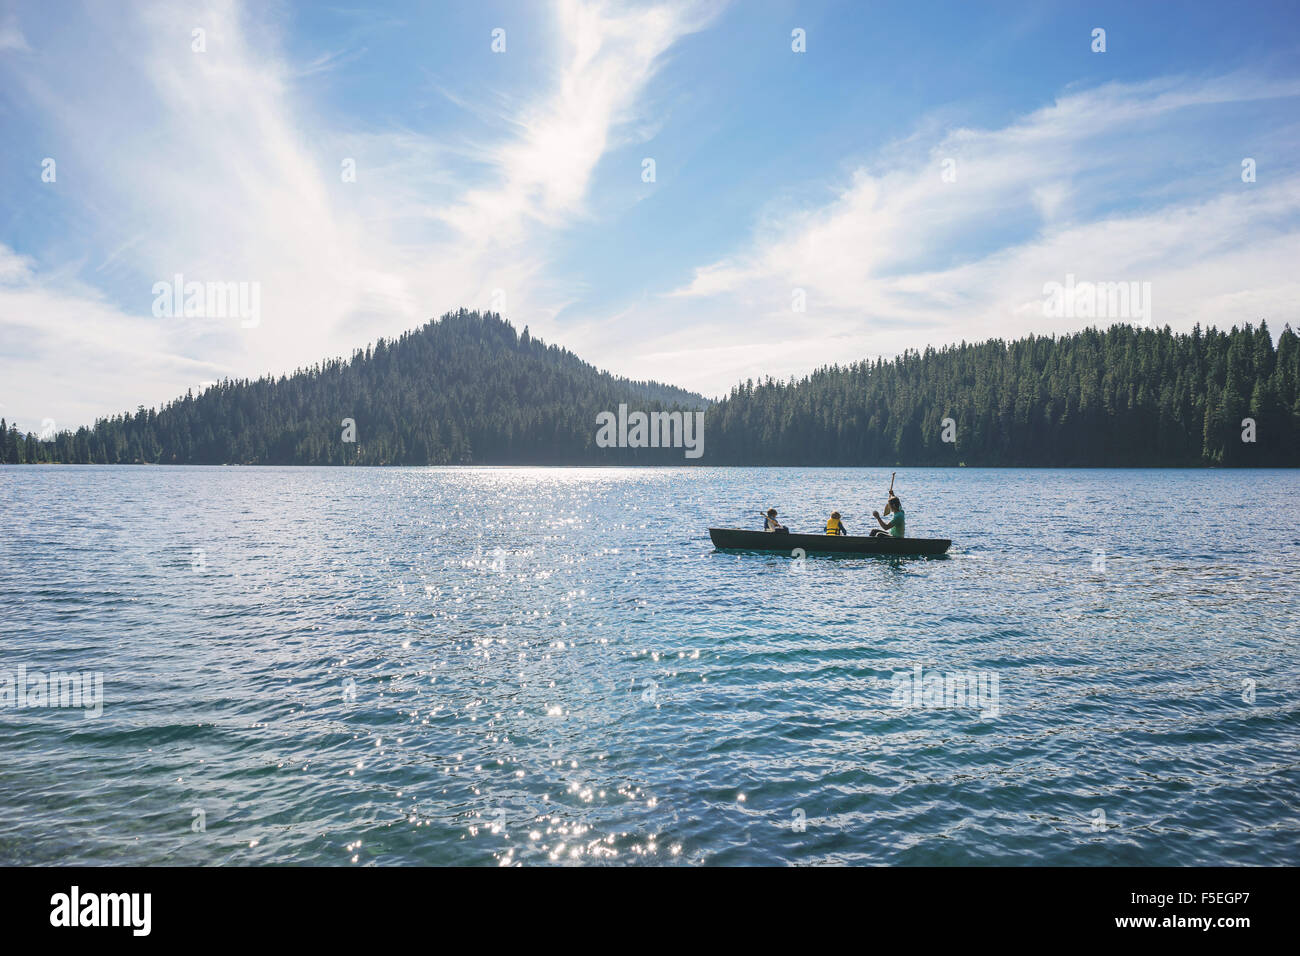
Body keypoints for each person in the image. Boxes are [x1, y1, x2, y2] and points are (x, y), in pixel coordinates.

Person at [869, 472, 906, 538]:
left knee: (879, 535)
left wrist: (878, 517)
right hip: (892, 534)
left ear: (894, 506)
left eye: (889, 505)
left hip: (896, 538)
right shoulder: (900, 510)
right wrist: (892, 494)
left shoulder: (898, 516)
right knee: (873, 531)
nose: (889, 507)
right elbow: (898, 502)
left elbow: (885, 527)